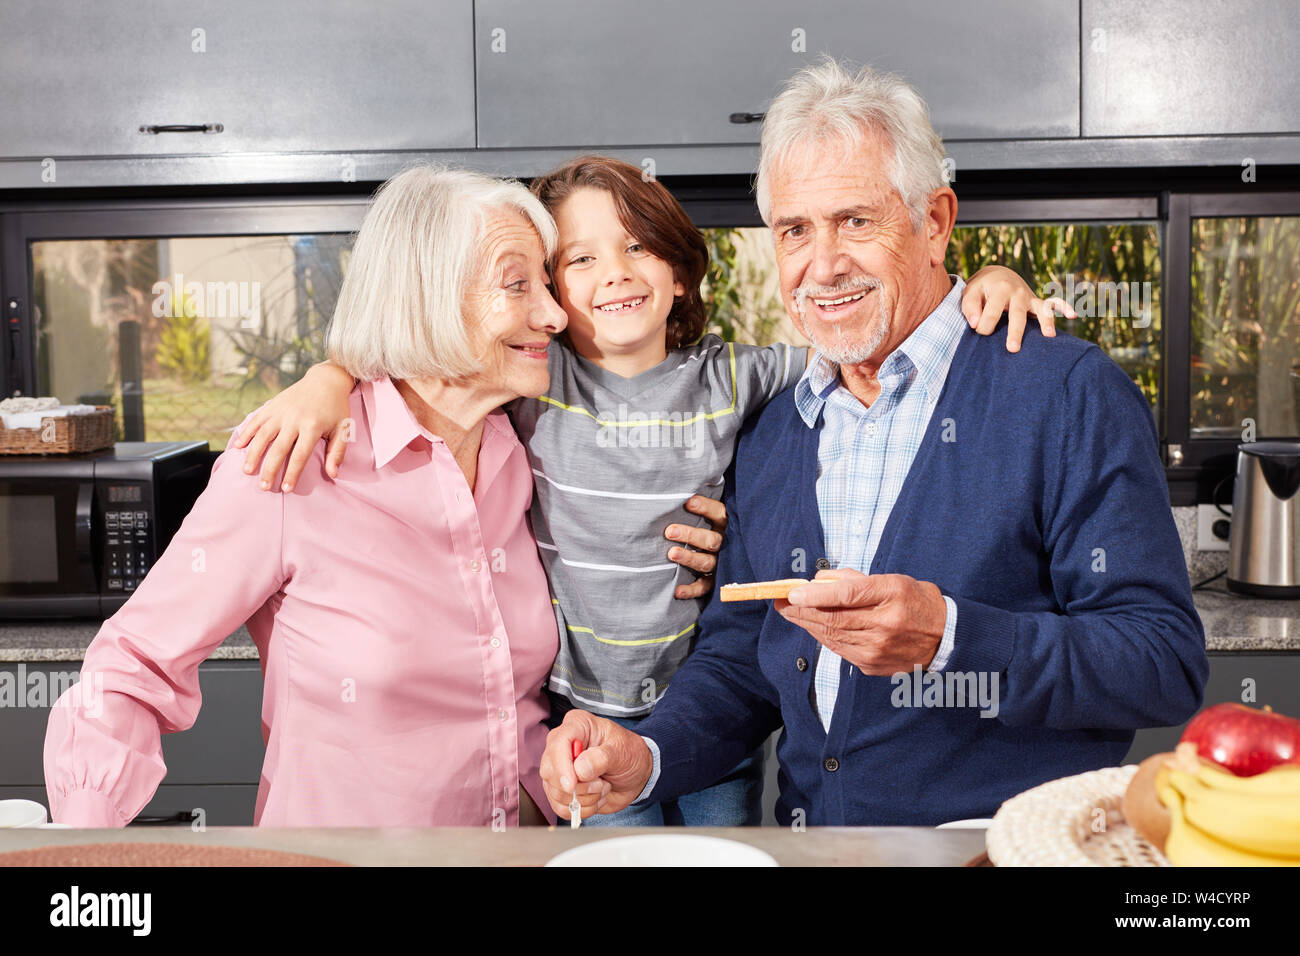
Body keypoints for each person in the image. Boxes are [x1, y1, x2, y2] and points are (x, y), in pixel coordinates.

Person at [235, 153, 1059, 825]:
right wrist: (331, 375)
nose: (613, 274)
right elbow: (423, 347)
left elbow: (872, 333)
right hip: (583, 724)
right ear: (553, 293)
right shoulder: (534, 382)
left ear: (678, 270)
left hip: (711, 715)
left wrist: (985, 283)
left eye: (636, 247)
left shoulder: (741, 377)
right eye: (579, 260)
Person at [536, 58, 1209, 827]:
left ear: (934, 222)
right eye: (795, 230)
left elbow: (1161, 663)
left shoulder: (1065, 393)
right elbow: (739, 665)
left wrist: (950, 637)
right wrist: (645, 755)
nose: (823, 265)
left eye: (856, 220)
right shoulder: (777, 429)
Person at [44, 165, 576, 827]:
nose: (554, 313)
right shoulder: (291, 461)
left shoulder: (524, 449)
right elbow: (132, 664)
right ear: (425, 296)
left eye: (548, 282)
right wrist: (82, 856)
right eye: (517, 284)